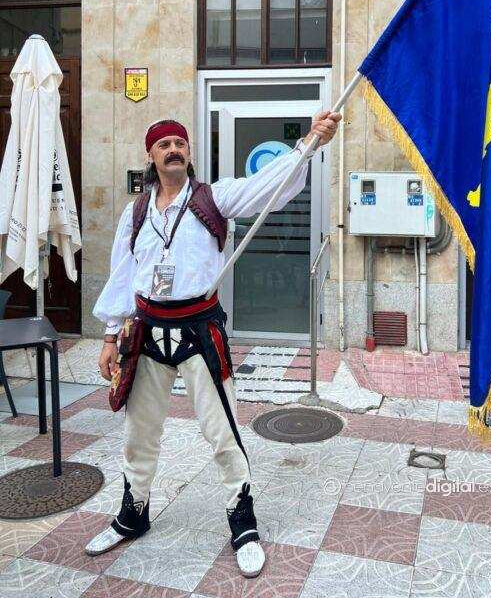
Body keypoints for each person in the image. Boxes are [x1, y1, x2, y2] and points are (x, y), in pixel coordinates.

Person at [84, 111, 341, 578]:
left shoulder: (213, 198)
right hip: (146, 332)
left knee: (222, 432)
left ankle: (243, 525)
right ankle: (132, 515)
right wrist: (108, 335)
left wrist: (309, 144)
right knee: (139, 433)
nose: (173, 150)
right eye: (164, 145)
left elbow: (264, 186)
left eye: (179, 143)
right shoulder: (136, 212)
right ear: (151, 156)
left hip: (199, 330)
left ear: (189, 152)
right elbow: (123, 272)